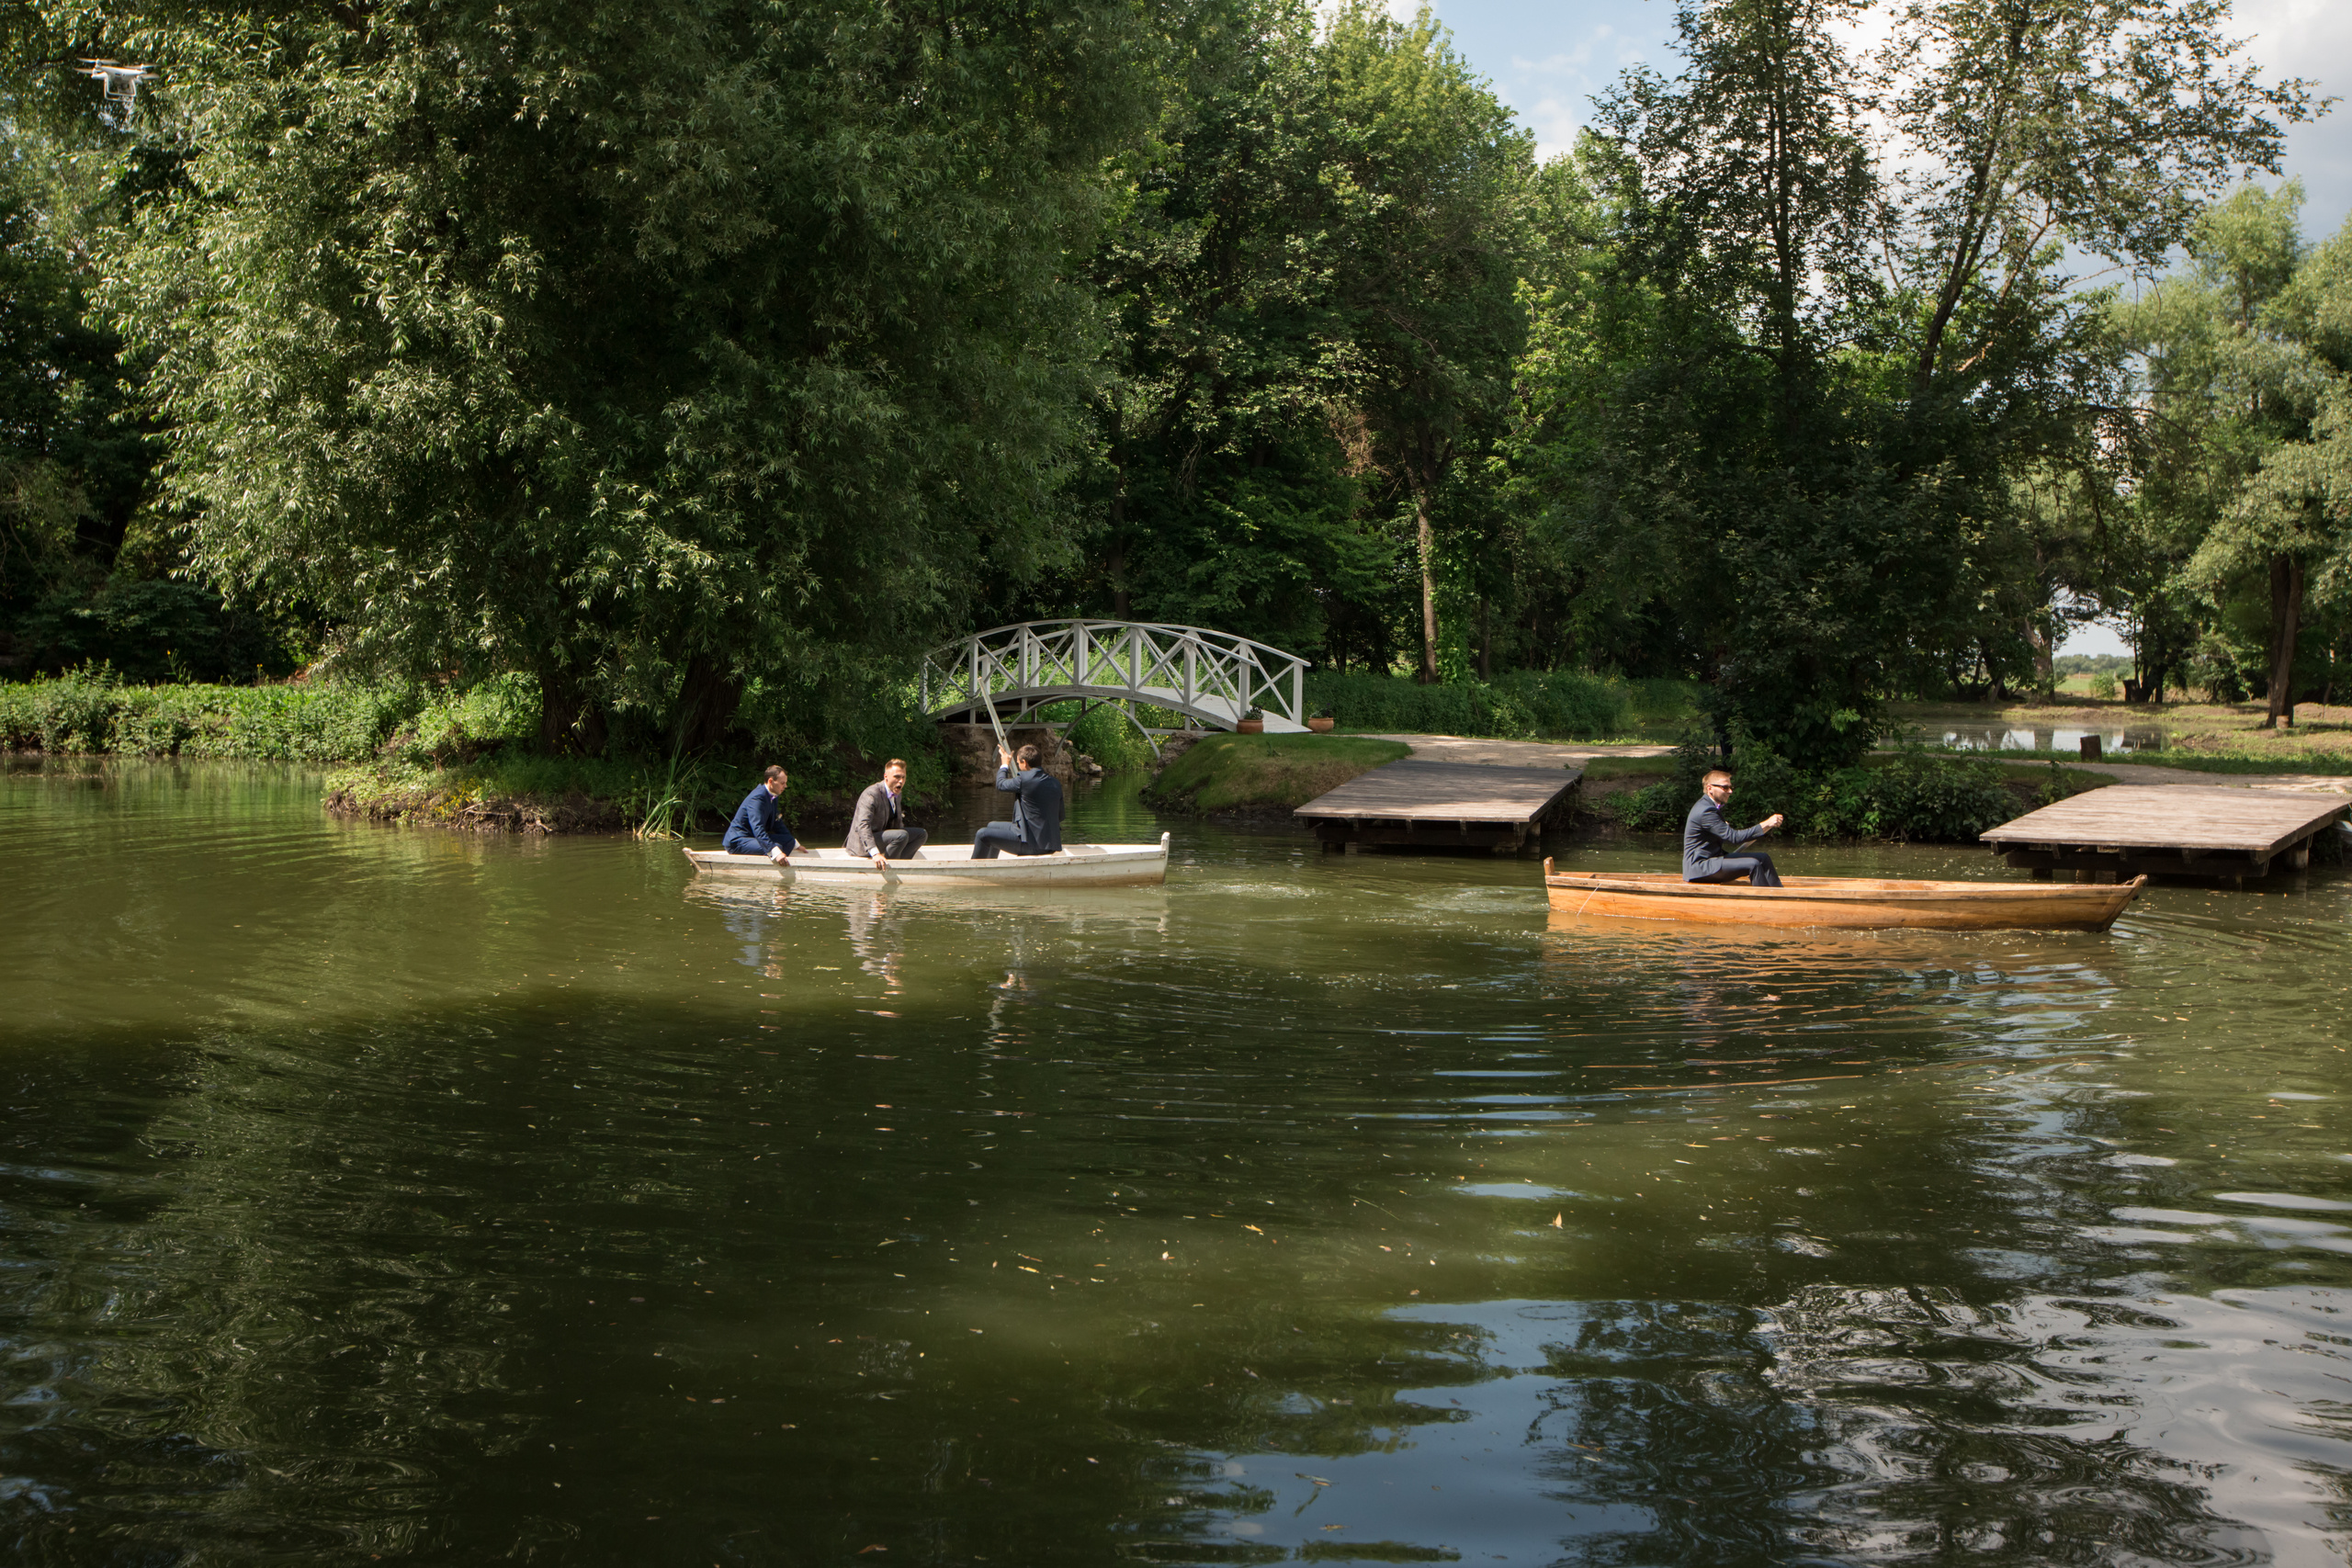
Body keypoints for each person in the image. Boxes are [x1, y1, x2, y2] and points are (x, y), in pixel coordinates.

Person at [1683, 768, 1784, 886]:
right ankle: (1763, 901)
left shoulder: (1709, 806)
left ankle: (1778, 894)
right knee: (1753, 864)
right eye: (1725, 787)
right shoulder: (1706, 810)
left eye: (1731, 787)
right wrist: (1766, 824)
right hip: (1700, 867)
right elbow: (1734, 838)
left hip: (1714, 859)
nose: (1730, 791)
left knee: (1763, 858)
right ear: (1710, 788)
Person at [971, 742, 1063, 859]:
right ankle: (990, 864)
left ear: (1024, 763)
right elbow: (1060, 816)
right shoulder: (1055, 783)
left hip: (1032, 845)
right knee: (992, 826)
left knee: (982, 834)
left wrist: (1005, 764)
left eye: (1018, 762)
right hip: (1050, 843)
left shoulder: (1024, 780)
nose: (1019, 764)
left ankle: (976, 870)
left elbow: (1000, 784)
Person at [846, 758, 927, 868]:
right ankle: (889, 867)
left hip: (883, 836)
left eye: (903, 777)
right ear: (886, 777)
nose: (901, 781)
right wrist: (875, 853)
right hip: (862, 844)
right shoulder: (871, 794)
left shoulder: (897, 793)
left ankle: (901, 864)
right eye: (897, 777)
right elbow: (863, 825)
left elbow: (897, 823)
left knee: (921, 834)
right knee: (901, 836)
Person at [725, 764, 799, 863]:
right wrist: (775, 851)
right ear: (771, 781)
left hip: (753, 838)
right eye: (782, 783)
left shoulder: (773, 796)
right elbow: (757, 828)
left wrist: (796, 845)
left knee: (789, 841)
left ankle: (779, 859)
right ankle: (777, 861)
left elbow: (777, 823)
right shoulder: (757, 799)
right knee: (777, 847)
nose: (785, 786)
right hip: (738, 841)